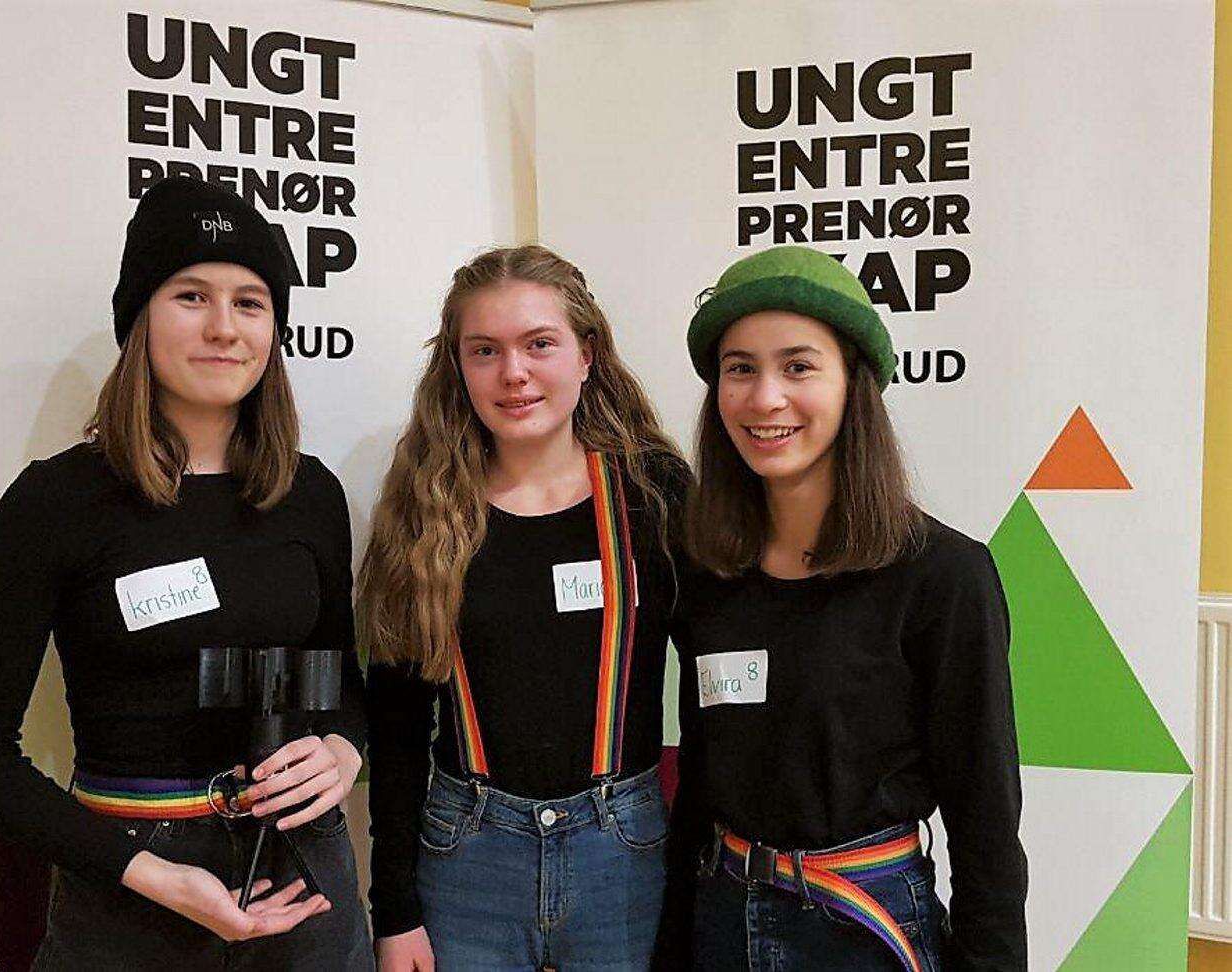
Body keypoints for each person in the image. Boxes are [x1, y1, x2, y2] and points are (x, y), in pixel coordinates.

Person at [0, 176, 372, 970]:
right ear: (139, 317)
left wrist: (341, 749)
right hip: (127, 886)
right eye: (191, 296)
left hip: (303, 876)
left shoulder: (310, 493)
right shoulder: (56, 500)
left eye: (249, 302)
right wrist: (152, 875)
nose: (223, 327)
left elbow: (339, 676)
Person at [660, 245, 1028, 971]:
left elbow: (984, 820)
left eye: (798, 367)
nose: (766, 398)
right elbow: (701, 777)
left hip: (863, 927)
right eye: (741, 368)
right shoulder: (703, 568)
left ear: (853, 384)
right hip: (720, 920)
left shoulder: (943, 575)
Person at [360, 245, 689, 971]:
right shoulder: (424, 510)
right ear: (457, 366)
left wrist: (695, 890)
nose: (513, 373)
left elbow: (706, 701)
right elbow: (396, 727)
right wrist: (395, 912)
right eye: (485, 350)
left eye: (539, 344)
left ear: (586, 354)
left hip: (625, 857)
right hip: (466, 860)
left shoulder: (654, 495)